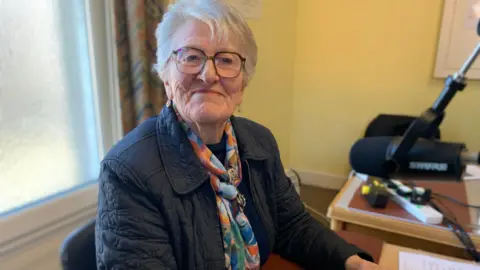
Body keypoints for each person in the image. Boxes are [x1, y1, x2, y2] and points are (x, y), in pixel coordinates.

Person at [95, 0, 384, 269]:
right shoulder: (127, 171)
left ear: (243, 83)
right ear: (166, 76)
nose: (209, 75)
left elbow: (292, 226)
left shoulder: (259, 142)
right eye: (191, 56)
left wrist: (354, 263)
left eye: (227, 60)